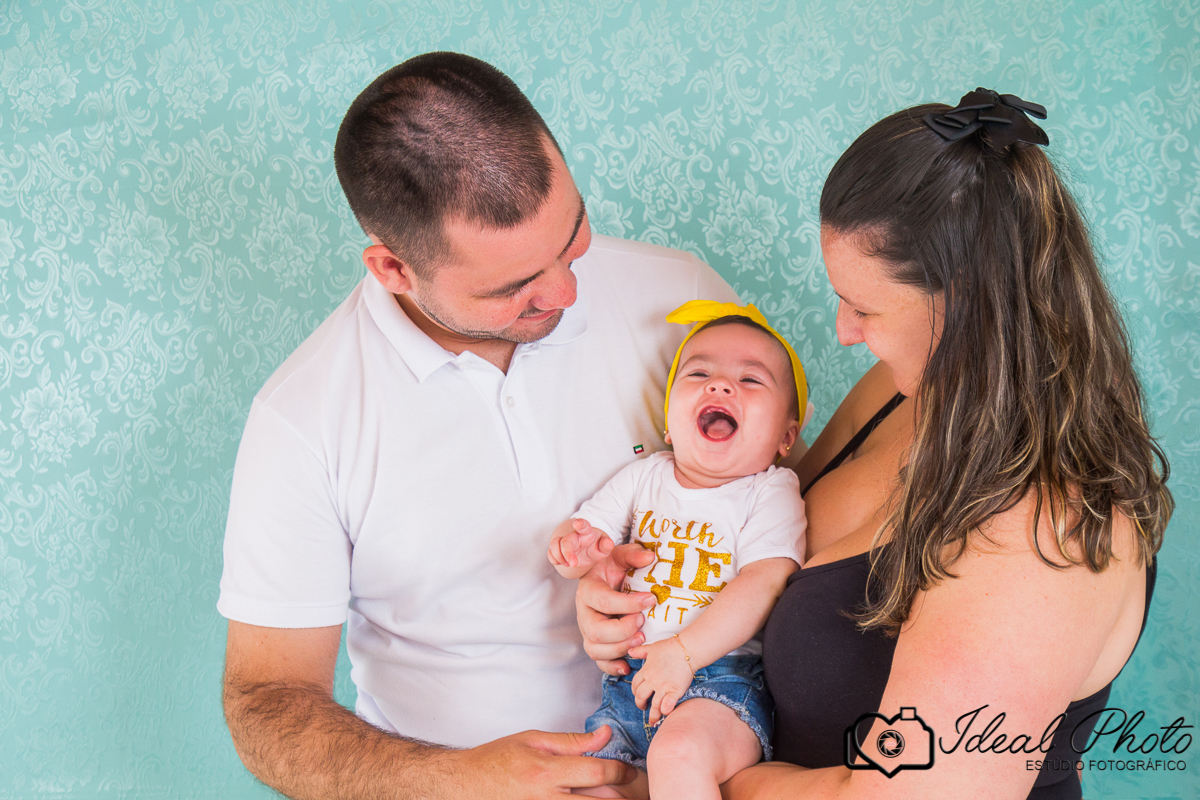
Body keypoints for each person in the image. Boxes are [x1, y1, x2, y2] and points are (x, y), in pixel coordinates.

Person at [576, 90, 1173, 800]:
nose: (842, 332)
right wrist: (638, 590)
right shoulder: (896, 390)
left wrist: (697, 776)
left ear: (971, 302)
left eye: (865, 307)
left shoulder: (1048, 534)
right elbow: (744, 525)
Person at [217, 52, 739, 799]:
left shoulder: (681, 299)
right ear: (393, 269)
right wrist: (457, 780)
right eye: (514, 286)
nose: (565, 290)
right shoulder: (302, 420)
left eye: (573, 235)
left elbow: (797, 516)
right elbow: (265, 703)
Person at [549, 302, 809, 800]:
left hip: (721, 685)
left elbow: (764, 582)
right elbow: (592, 537)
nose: (720, 385)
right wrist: (574, 549)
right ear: (668, 422)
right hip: (629, 688)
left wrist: (686, 653)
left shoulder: (770, 490)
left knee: (679, 755)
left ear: (785, 436)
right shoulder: (644, 475)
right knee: (587, 782)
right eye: (699, 373)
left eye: (751, 381)